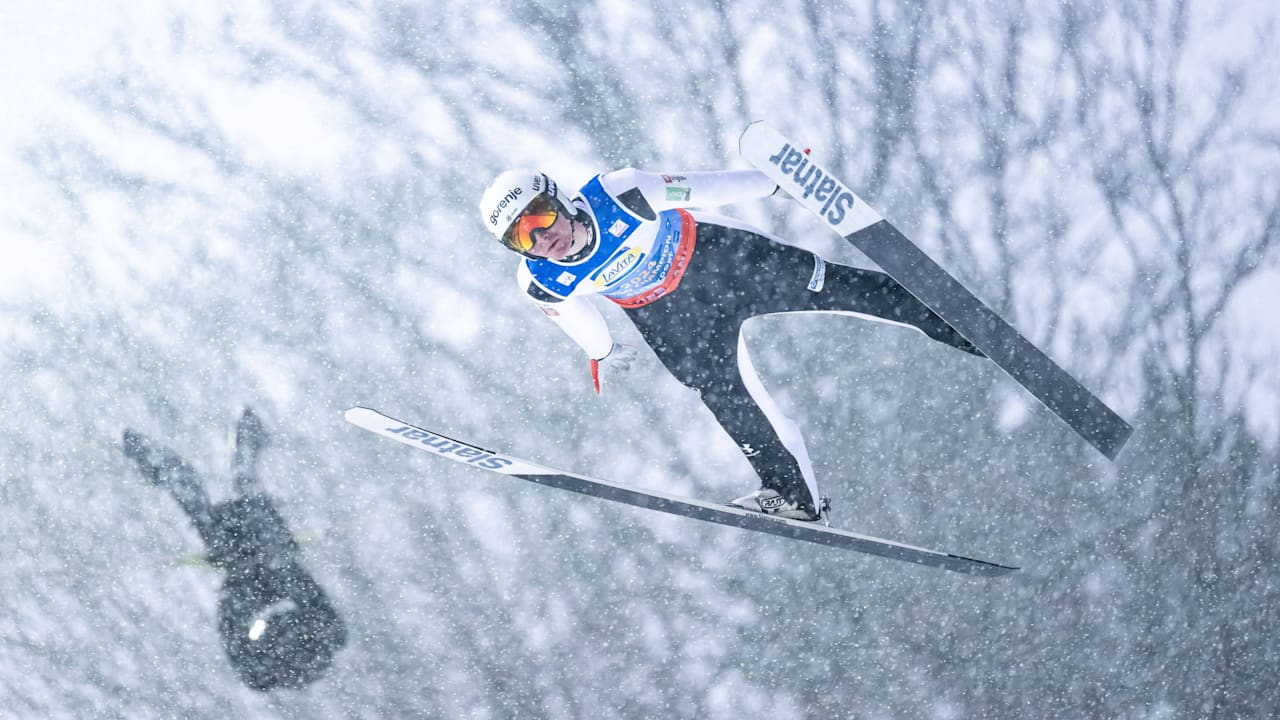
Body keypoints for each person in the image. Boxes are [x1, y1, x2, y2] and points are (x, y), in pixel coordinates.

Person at [478, 167, 983, 522]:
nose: (541, 240)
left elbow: (707, 187)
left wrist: (775, 182)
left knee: (840, 289)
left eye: (540, 219)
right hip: (670, 317)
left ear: (561, 199)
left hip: (722, 260)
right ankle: (793, 496)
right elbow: (574, 314)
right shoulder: (540, 280)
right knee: (726, 396)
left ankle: (961, 326)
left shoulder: (621, 193)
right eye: (522, 238)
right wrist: (602, 351)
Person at [121, 408, 347, 691]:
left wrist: (249, 585)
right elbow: (306, 596)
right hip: (260, 562)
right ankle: (195, 459)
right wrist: (269, 577)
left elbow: (236, 625)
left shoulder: (268, 661)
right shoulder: (314, 640)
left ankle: (169, 463)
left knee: (222, 505)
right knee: (232, 502)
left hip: (252, 567)